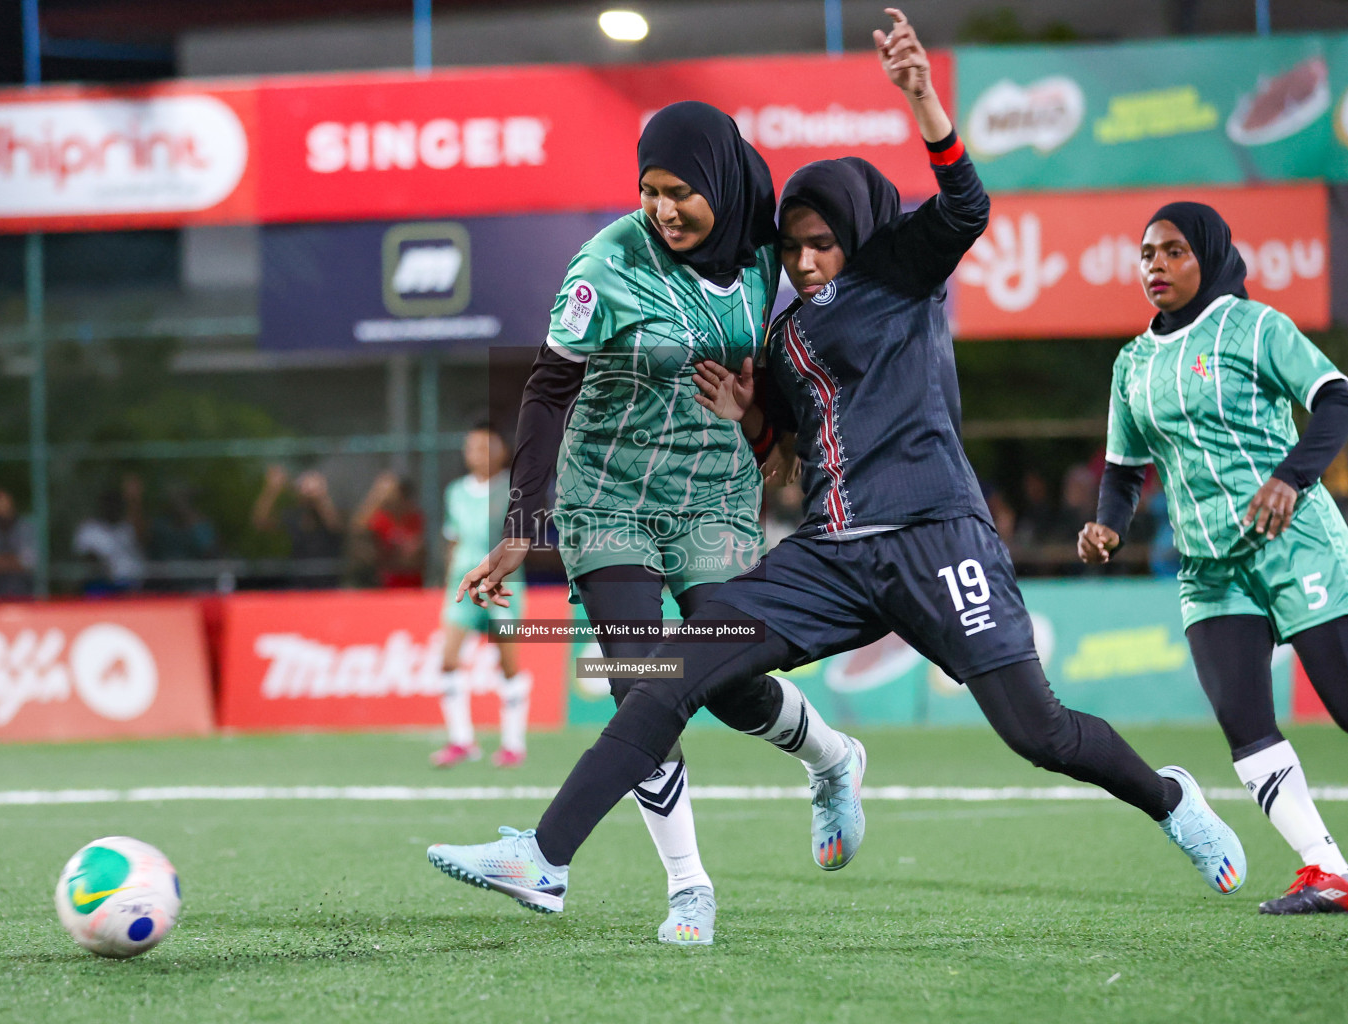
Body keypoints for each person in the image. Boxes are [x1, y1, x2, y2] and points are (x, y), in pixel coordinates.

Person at [428, 11, 1246, 926]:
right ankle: (545, 857)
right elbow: (785, 464)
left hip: (939, 541)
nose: (809, 262)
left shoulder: (901, 275)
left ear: (860, 234)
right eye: (794, 248)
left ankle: (1173, 799)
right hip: (830, 557)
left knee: (1039, 733)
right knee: (668, 673)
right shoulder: (775, 336)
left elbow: (968, 208)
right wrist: (749, 420)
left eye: (824, 243)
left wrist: (923, 100)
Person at [440, 96, 861, 945]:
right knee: (642, 680)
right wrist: (525, 522)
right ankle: (688, 890)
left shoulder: (760, 254)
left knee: (729, 680)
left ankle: (833, 758)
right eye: (649, 189)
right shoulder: (607, 263)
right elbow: (547, 389)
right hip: (610, 497)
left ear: (720, 184)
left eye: (680, 191)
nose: (663, 209)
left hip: (713, 497)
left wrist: (774, 437)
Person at [1078, 201, 1348, 914]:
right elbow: (1125, 470)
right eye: (1146, 254)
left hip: (1294, 543)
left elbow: (1338, 401)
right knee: (1245, 727)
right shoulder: (1133, 364)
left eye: (1173, 251)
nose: (1155, 265)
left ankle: (1328, 870)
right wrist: (1107, 525)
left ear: (1210, 256)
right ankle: (1329, 871)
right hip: (1208, 567)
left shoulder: (1256, 329)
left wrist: (1290, 478)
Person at [431, 424, 532, 768]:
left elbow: (519, 540)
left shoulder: (512, 489)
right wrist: (448, 582)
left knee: (508, 663)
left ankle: (513, 744)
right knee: (447, 659)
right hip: (462, 586)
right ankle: (461, 741)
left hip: (503, 587)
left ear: (500, 451)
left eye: (485, 446)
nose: (476, 453)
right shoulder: (455, 492)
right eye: (471, 447)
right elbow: (453, 541)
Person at [252, 465, 342, 589]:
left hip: (328, 586)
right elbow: (260, 522)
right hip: (298, 586)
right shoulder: (294, 516)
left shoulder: (330, 515)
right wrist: (272, 489)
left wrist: (321, 496)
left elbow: (334, 524)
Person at [351, 472, 426, 589]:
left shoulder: (413, 517)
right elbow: (357, 528)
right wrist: (376, 496)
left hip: (412, 580)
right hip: (386, 581)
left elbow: (414, 554)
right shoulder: (382, 517)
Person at [73, 476, 146, 594]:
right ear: (101, 505)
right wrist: (104, 566)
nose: (112, 507)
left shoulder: (128, 527)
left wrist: (134, 500)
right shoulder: (89, 528)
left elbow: (144, 539)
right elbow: (87, 558)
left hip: (130, 585)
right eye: (108, 503)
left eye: (115, 503)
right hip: (101, 583)